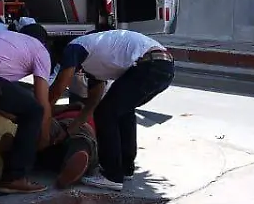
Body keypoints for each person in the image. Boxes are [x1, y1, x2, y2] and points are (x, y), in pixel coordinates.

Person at [49, 30, 175, 191]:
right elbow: (92, 104)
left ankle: (111, 175)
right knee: (122, 111)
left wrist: (44, 112)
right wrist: (69, 131)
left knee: (106, 113)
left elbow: (59, 86)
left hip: (149, 64)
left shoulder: (74, 47)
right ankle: (125, 168)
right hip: (164, 65)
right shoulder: (95, 64)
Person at [0, 22, 53, 195]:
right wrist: (44, 137)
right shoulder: (40, 50)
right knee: (34, 111)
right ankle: (15, 177)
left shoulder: (3, 36)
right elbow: (42, 101)